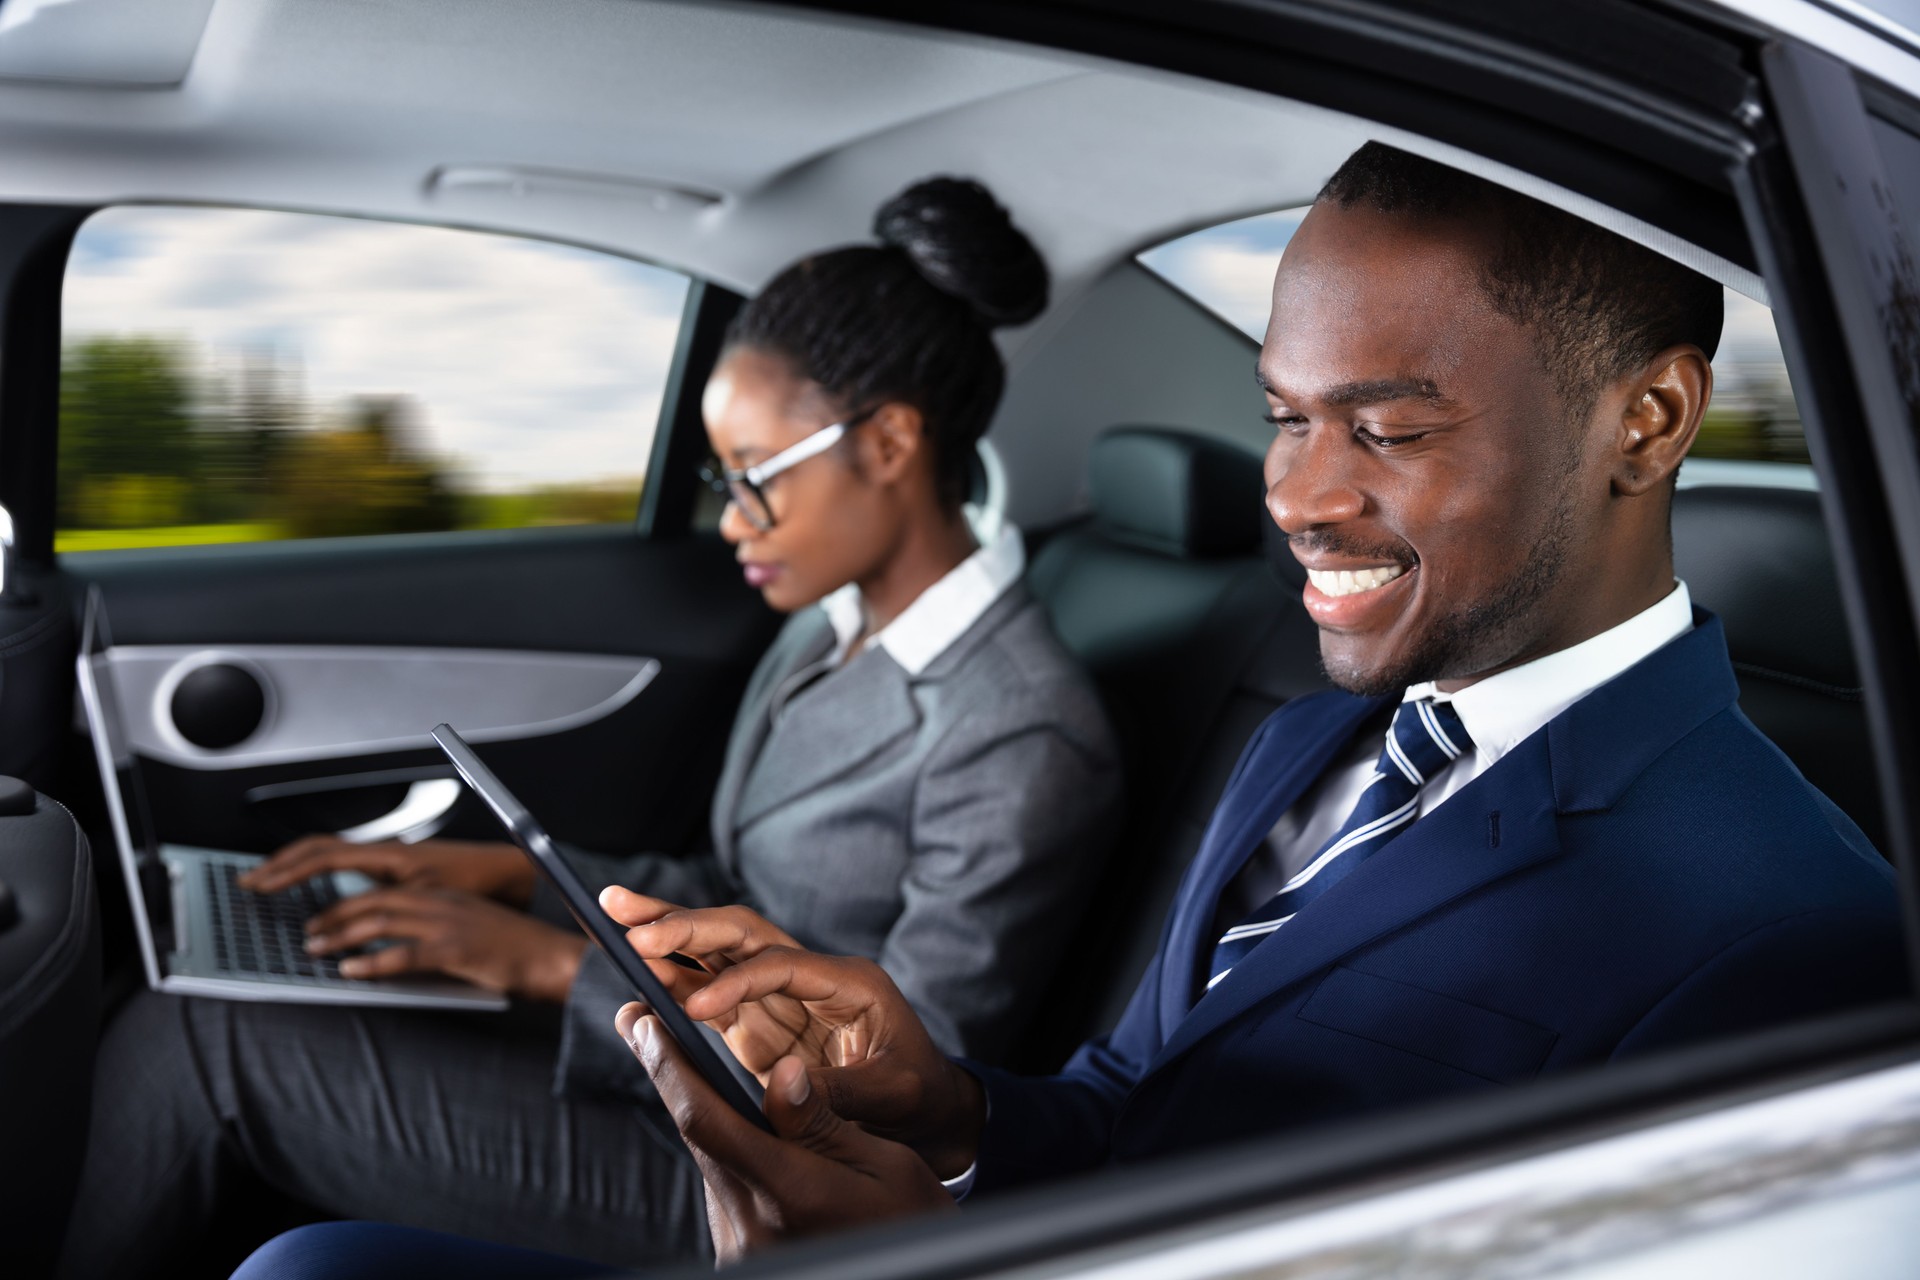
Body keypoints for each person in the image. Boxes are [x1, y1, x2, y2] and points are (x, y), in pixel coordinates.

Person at [227, 141, 1908, 1278]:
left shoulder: (1794, 941)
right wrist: (947, 1117)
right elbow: (1121, 1117)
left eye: (1384, 431)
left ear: (1649, 420)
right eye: (1282, 417)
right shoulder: (1312, 737)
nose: (1297, 500)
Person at [58, 177, 1121, 1279]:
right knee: (202, 998)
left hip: (757, 1178)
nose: (729, 519)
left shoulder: (1022, 734)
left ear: (891, 443)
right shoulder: (832, 622)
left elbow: (901, 1088)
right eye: (722, 477)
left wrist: (548, 966)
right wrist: (499, 881)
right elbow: (730, 881)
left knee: (200, 1043)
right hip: (661, 1066)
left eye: (756, 479)